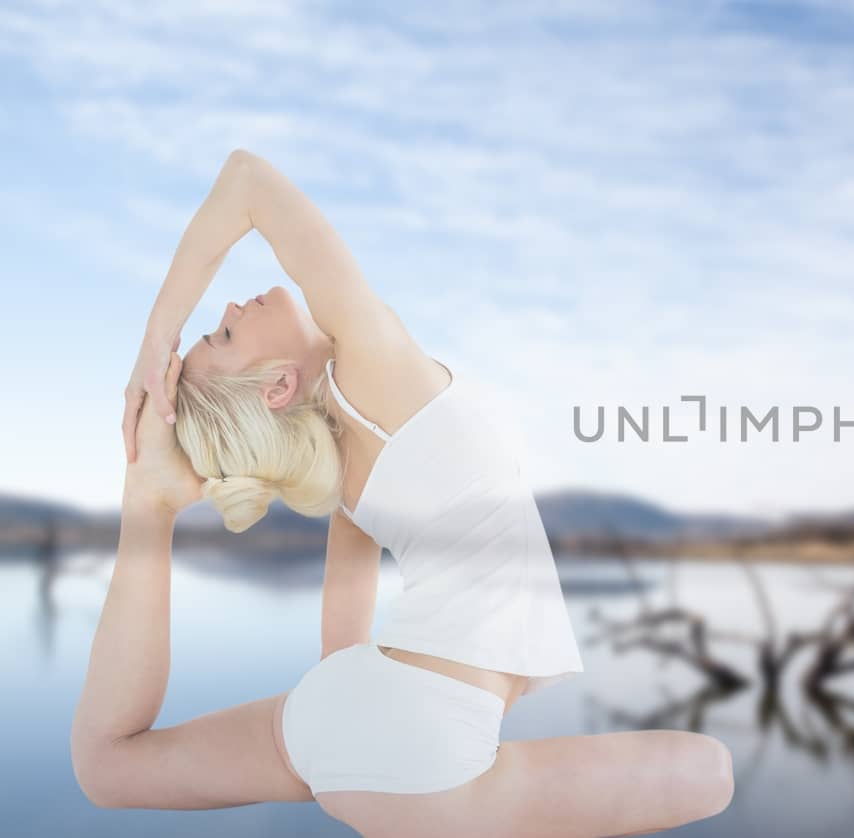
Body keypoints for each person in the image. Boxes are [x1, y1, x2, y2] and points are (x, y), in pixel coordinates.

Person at [72, 149, 734, 837]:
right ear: (276, 387)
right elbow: (247, 180)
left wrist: (358, 736)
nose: (233, 304)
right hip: (426, 738)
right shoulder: (373, 366)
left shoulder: (340, 463)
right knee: (712, 771)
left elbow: (342, 654)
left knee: (107, 765)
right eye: (227, 332)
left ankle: (147, 508)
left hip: (339, 723)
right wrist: (157, 342)